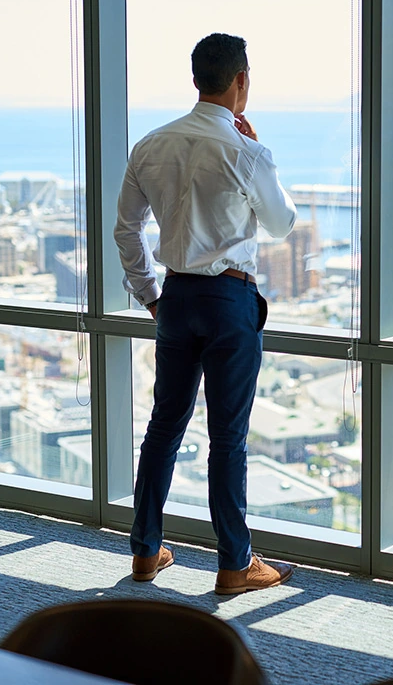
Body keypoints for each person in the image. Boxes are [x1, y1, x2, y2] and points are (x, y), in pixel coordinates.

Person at [114, 33, 297, 594]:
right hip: (228, 302)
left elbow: (126, 229)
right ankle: (234, 563)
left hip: (175, 300)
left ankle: (146, 552)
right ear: (240, 81)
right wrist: (261, 153)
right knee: (229, 438)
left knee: (163, 427)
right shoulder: (244, 150)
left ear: (196, 79)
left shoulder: (150, 144)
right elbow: (282, 223)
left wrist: (150, 296)